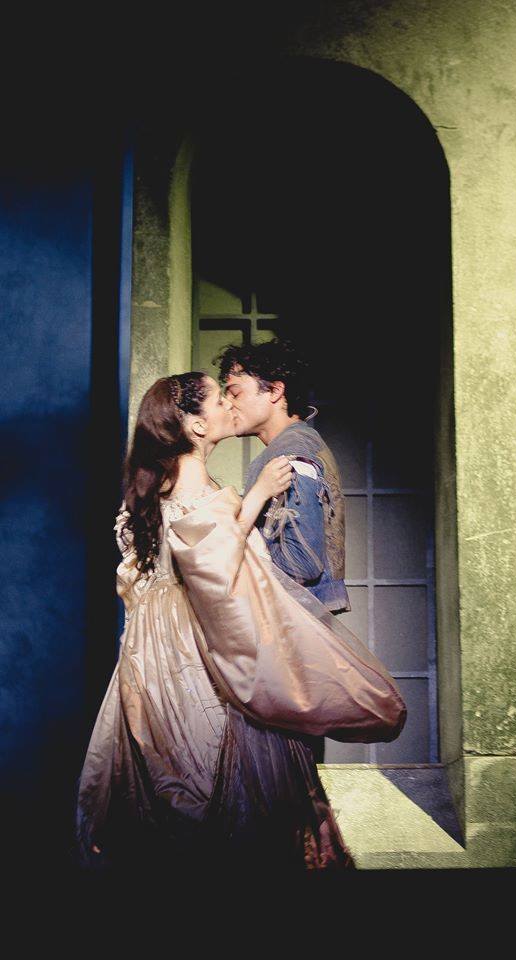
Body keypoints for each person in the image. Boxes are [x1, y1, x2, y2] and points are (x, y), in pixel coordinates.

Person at [74, 371, 406, 876]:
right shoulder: (190, 487)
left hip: (158, 650)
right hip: (194, 651)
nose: (230, 406)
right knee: (216, 783)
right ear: (195, 425)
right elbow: (210, 570)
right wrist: (255, 498)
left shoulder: (171, 484)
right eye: (219, 398)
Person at [218, 339, 350, 764]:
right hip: (295, 631)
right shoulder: (295, 446)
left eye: (235, 392)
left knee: (285, 770)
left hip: (291, 632)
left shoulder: (292, 453)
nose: (228, 404)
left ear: (274, 391)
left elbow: (302, 561)